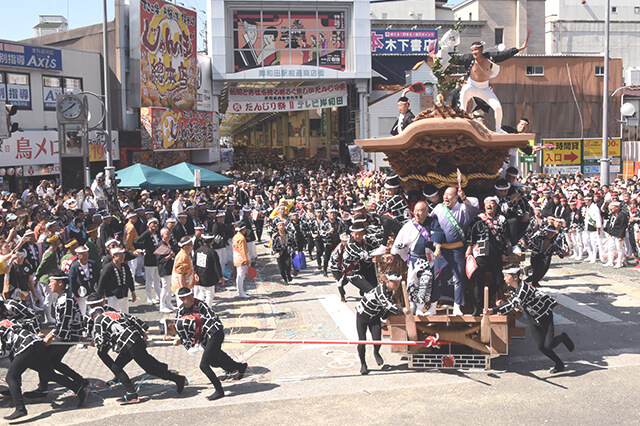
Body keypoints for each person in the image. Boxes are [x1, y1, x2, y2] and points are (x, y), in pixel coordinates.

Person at [87, 293, 187, 404]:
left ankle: (177, 380)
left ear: (93, 313)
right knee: (118, 366)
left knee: (149, 369)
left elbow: (99, 342)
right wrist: (143, 333)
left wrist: (93, 343)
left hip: (130, 346)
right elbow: (133, 319)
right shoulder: (113, 313)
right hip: (134, 341)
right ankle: (161, 372)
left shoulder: (98, 320)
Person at [163, 287, 247, 401]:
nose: (192, 299)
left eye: (192, 296)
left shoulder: (201, 305)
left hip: (214, 333)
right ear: (182, 299)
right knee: (215, 359)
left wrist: (182, 340)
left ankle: (219, 390)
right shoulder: (180, 311)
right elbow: (181, 328)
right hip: (204, 337)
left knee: (204, 365)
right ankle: (240, 367)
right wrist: (176, 337)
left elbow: (205, 323)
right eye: (188, 298)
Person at [488, 265, 574, 373]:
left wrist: (494, 310)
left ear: (515, 277)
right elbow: (510, 300)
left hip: (544, 316)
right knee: (540, 346)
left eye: (506, 276)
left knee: (549, 345)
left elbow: (513, 302)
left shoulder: (524, 288)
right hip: (532, 317)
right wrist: (500, 304)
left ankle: (562, 338)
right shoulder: (511, 287)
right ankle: (559, 364)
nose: (504, 278)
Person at [24, 271, 87, 399]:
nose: (48, 284)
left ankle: (43, 389)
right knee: (54, 361)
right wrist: (50, 334)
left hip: (69, 336)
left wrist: (51, 336)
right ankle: (80, 380)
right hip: (68, 333)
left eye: (51, 281)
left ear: (60, 283)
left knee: (43, 357)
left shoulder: (65, 299)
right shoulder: (63, 296)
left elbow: (64, 326)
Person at [449, 38, 528, 132]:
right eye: (472, 50)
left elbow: (504, 54)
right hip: (471, 85)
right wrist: (441, 56)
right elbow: (455, 60)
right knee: (464, 90)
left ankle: (498, 128)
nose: (474, 52)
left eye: (476, 50)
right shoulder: (468, 58)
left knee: (498, 107)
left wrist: (519, 49)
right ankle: (463, 117)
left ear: (481, 49)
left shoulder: (489, 57)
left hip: (484, 88)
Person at [432, 187, 481, 315]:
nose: (446, 197)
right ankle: (432, 306)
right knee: (436, 276)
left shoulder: (462, 208)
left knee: (458, 278)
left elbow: (475, 207)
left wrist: (464, 197)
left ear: (456, 198)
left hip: (457, 249)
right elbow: (431, 224)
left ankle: (457, 306)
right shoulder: (438, 209)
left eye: (449, 195)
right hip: (441, 250)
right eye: (445, 195)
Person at [391, 201, 444, 315]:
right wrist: (394, 253)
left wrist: (437, 248)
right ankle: (412, 304)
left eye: (420, 210)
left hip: (427, 259)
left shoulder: (432, 222)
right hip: (414, 259)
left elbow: (437, 235)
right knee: (412, 282)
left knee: (425, 283)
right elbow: (401, 241)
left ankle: (420, 307)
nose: (417, 213)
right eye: (415, 210)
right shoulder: (410, 224)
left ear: (426, 211)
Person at [465, 196, 512, 316]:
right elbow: (471, 235)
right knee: (478, 281)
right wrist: (469, 248)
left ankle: (487, 299)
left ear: (496, 205)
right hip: (481, 252)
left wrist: (507, 250)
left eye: (492, 203)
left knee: (499, 280)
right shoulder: (478, 219)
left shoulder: (502, 219)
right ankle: (477, 308)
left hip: (496, 253)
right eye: (487, 203)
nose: (489, 205)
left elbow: (505, 236)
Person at [355, 272, 408, 375]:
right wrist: (402, 309)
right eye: (395, 283)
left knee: (378, 339)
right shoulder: (381, 291)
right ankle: (363, 364)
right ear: (388, 282)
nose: (397, 286)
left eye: (398, 283)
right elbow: (388, 305)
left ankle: (376, 352)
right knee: (362, 341)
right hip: (363, 315)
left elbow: (386, 307)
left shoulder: (391, 291)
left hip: (374, 316)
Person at [97, 248, 137, 313]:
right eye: (119, 255)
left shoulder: (125, 266)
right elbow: (102, 282)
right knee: (114, 313)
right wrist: (100, 296)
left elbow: (130, 279)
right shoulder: (108, 267)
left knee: (125, 313)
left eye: (123, 255)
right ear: (113, 256)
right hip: (113, 295)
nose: (122, 257)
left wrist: (133, 291)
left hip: (124, 294)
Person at [134, 217, 162, 305]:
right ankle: (149, 297)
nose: (155, 225)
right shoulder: (146, 234)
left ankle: (159, 296)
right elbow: (135, 242)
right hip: (149, 260)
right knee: (149, 279)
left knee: (157, 279)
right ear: (149, 225)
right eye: (153, 223)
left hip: (157, 259)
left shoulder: (157, 234)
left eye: (156, 223)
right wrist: (144, 247)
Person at [67, 245, 98, 316]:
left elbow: (97, 277)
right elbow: (71, 282)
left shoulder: (92, 264)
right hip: (80, 294)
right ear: (77, 255)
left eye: (86, 254)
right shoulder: (74, 267)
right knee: (82, 312)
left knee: (93, 312)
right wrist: (73, 296)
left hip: (92, 292)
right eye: (83, 255)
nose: (85, 257)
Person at [193, 234, 223, 306]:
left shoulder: (198, 250)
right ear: (212, 241)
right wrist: (220, 277)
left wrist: (195, 273)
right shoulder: (212, 252)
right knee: (210, 294)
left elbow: (194, 263)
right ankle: (208, 310)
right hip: (209, 277)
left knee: (202, 293)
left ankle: (199, 308)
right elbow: (217, 266)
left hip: (199, 276)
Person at [156, 227, 179, 313]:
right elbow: (159, 259)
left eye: (169, 234)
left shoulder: (169, 244)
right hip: (164, 269)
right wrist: (168, 257)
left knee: (169, 288)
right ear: (162, 235)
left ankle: (169, 304)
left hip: (170, 268)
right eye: (167, 234)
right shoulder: (160, 245)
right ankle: (162, 306)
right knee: (165, 288)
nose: (169, 235)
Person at [171, 236, 197, 307]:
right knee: (183, 307)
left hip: (186, 284)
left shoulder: (186, 254)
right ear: (185, 246)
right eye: (190, 244)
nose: (192, 246)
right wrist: (183, 290)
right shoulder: (183, 257)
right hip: (182, 286)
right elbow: (180, 274)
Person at [603, 201, 629, 268]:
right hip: (612, 233)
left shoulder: (622, 215)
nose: (611, 208)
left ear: (617, 207)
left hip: (618, 234)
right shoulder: (612, 214)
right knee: (611, 248)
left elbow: (623, 226)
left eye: (613, 207)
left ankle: (619, 263)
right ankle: (610, 261)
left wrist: (621, 236)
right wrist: (609, 231)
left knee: (619, 249)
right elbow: (610, 223)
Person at [271, 219, 297, 284]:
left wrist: (296, 249)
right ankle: (285, 279)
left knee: (288, 265)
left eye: (283, 225)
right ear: (277, 227)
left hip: (287, 251)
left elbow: (293, 242)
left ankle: (288, 275)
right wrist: (275, 253)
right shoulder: (275, 236)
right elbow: (272, 246)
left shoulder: (289, 234)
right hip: (279, 252)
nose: (281, 227)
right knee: (281, 267)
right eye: (280, 225)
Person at [232, 222, 251, 298]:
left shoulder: (236, 236)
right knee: (241, 276)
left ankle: (239, 290)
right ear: (243, 229)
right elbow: (242, 249)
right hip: (241, 259)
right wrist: (245, 259)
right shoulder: (241, 238)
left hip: (237, 258)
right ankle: (241, 292)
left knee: (239, 276)